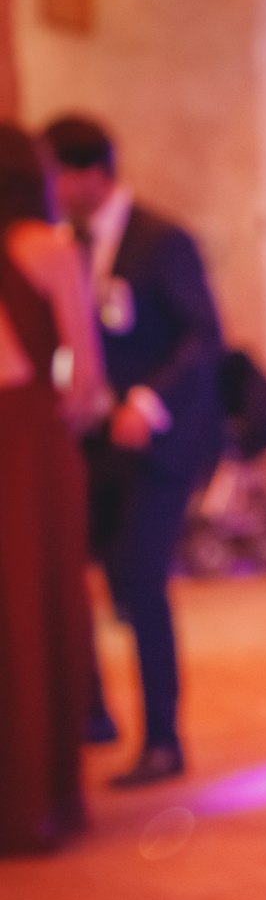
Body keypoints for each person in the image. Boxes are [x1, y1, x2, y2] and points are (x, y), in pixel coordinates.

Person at [44, 115, 224, 787]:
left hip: (159, 445)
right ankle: (91, 714)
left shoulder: (160, 239)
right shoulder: (64, 244)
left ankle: (163, 739)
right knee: (77, 574)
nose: (53, 189)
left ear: (89, 174)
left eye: (57, 174)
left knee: (143, 582)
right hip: (92, 444)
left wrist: (148, 400)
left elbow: (204, 337)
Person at [0, 124, 103, 853]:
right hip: (30, 440)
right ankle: (42, 800)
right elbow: (86, 378)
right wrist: (66, 409)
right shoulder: (49, 246)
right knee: (39, 605)